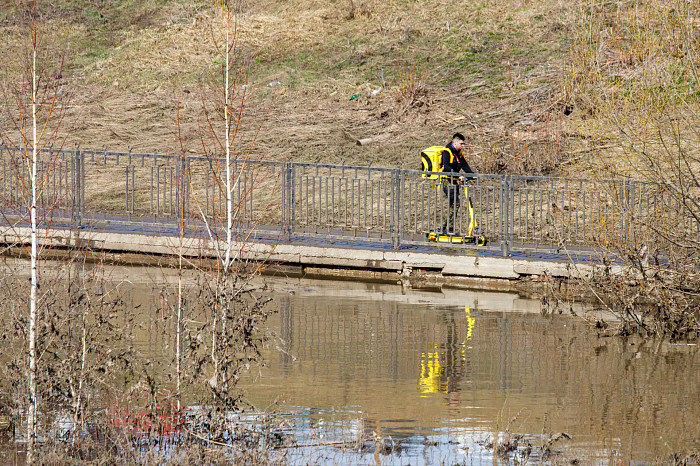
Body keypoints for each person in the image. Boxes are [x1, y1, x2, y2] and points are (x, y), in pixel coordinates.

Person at [440, 133, 475, 235]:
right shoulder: (447, 152)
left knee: (454, 203)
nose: (463, 146)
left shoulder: (458, 153)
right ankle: (447, 228)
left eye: (464, 143)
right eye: (461, 143)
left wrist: (472, 174)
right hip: (447, 180)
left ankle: (446, 228)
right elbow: (446, 166)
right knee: (455, 202)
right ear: (455, 142)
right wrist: (457, 175)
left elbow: (464, 165)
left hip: (454, 180)